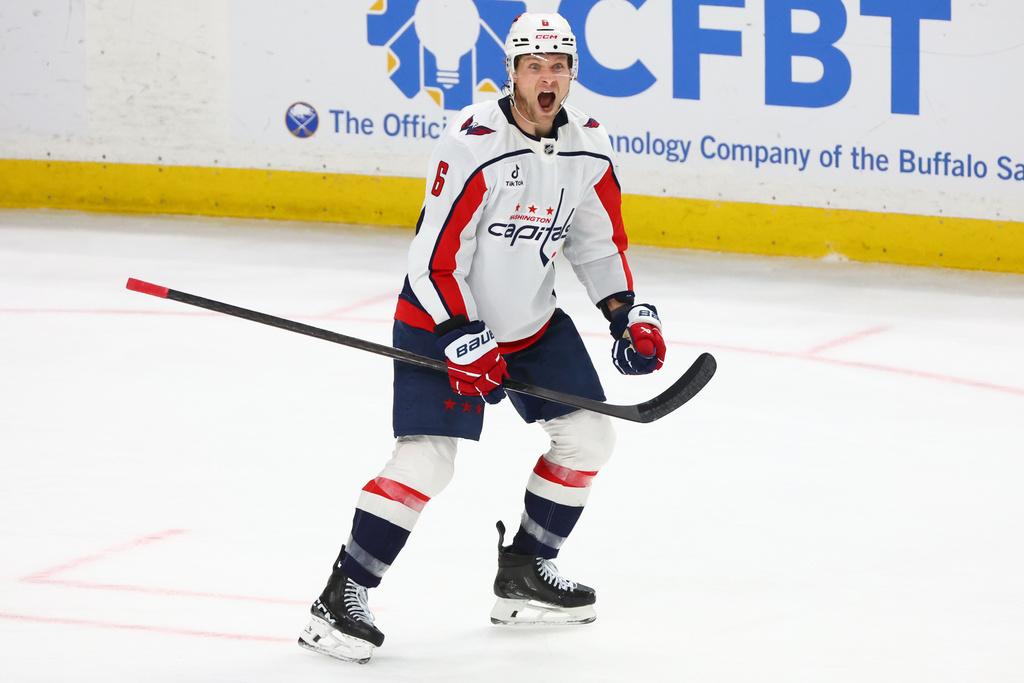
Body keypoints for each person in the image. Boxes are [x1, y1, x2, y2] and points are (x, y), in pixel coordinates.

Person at [297, 12, 667, 664]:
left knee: (589, 437)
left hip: (529, 324)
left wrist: (624, 312)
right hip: (440, 321)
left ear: (572, 73)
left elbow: (597, 242)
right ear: (513, 72)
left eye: (558, 67)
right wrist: (463, 338)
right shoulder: (472, 144)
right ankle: (340, 595)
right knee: (427, 461)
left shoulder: (589, 145)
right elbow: (433, 262)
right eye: (534, 66)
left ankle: (525, 572)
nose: (547, 79)